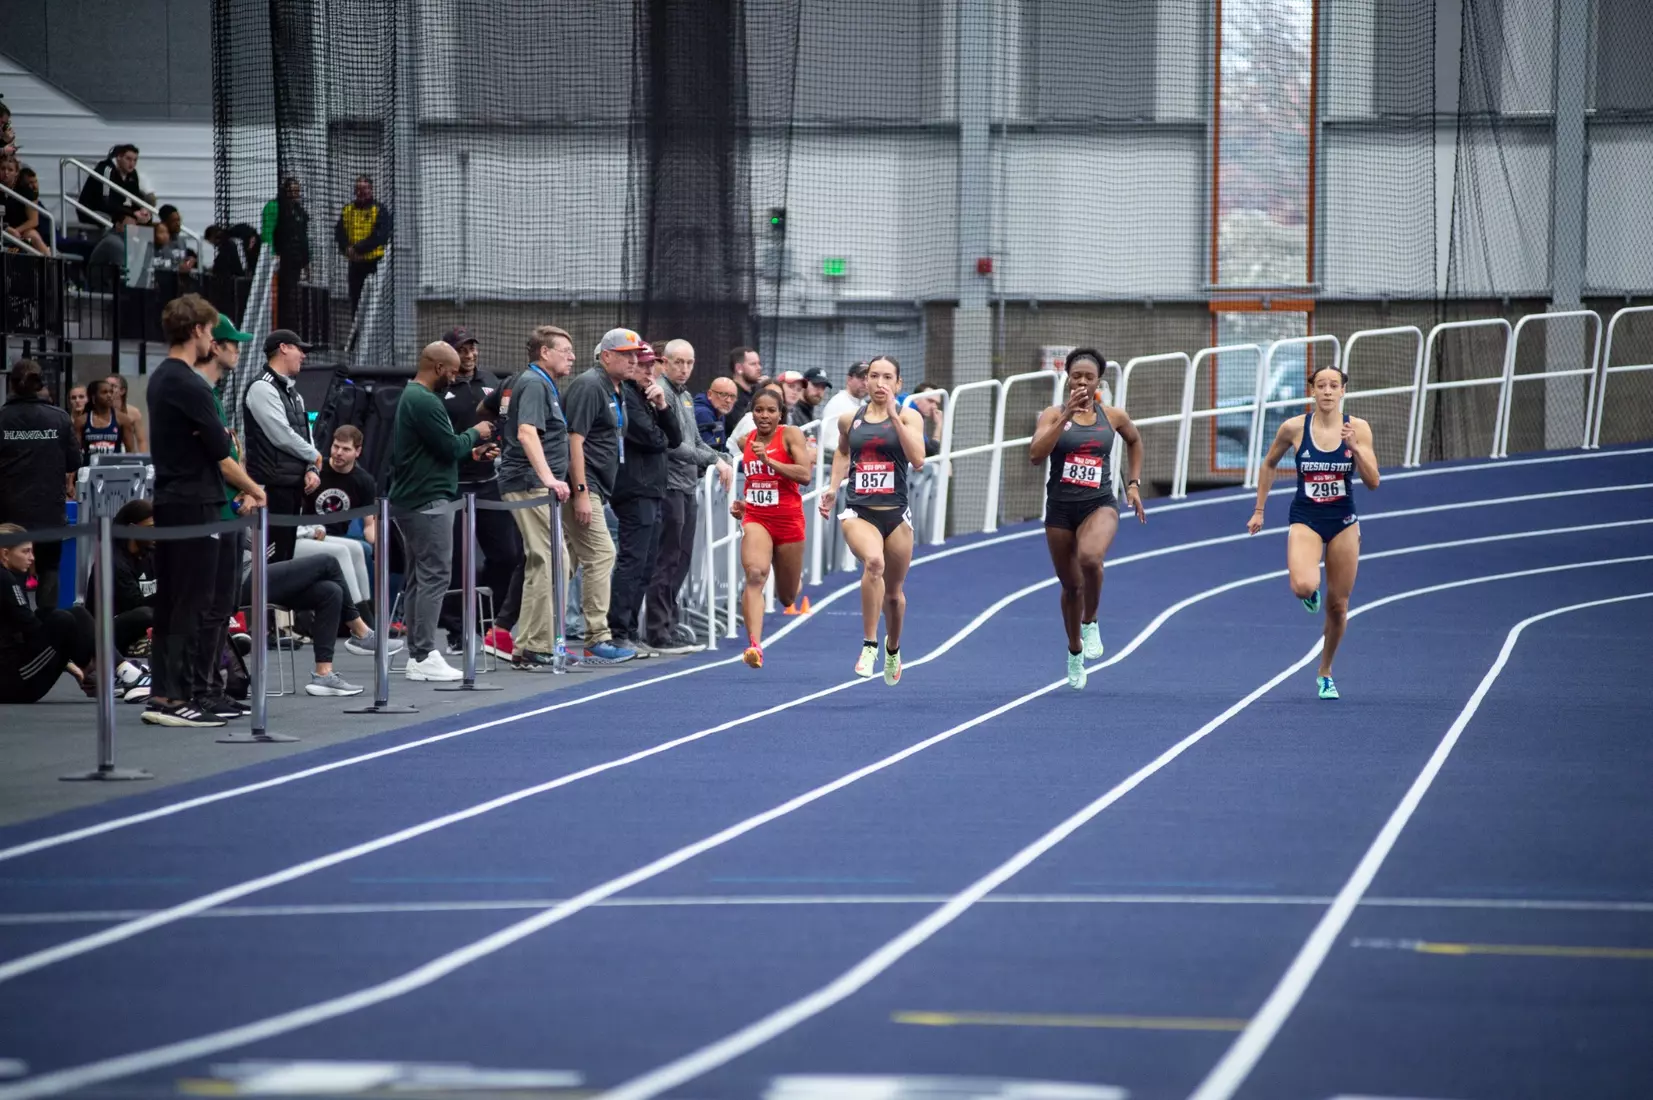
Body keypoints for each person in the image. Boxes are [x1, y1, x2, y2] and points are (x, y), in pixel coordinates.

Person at [141, 294, 265, 727]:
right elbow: (218, 448)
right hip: (195, 505)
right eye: (211, 331)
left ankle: (168, 695)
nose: (213, 339)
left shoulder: (161, 378)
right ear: (197, 331)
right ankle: (173, 699)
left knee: (176, 602)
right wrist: (255, 488)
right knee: (189, 603)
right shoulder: (188, 384)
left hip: (180, 502)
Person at [1248, 365, 1380, 700]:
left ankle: (1325, 671)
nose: (1327, 391)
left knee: (1338, 606)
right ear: (1312, 391)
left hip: (1343, 521)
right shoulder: (1294, 427)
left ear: (1342, 392)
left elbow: (1373, 481)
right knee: (1303, 585)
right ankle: (1310, 593)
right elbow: (1268, 464)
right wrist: (1260, 510)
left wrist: (1356, 448)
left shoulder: (1358, 428)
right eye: (1321, 385)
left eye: (1333, 385)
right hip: (1306, 516)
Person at [1028, 348, 1148, 690]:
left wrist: (1134, 484)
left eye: (1089, 376)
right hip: (1060, 510)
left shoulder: (1113, 416)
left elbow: (1135, 442)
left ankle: (1091, 621)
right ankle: (1074, 650)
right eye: (1076, 375)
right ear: (1067, 377)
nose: (1082, 381)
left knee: (1091, 558)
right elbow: (1036, 455)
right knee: (1071, 586)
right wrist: (1065, 414)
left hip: (1099, 503)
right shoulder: (1052, 415)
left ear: (1099, 381)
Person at [388, 341, 494, 682]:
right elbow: (449, 446)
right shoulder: (425, 401)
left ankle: (419, 653)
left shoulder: (414, 397)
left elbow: (435, 451)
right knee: (435, 574)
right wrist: (475, 434)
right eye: (451, 371)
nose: (455, 376)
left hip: (418, 496)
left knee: (422, 576)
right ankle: (423, 653)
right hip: (428, 499)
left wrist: (472, 453)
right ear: (437, 368)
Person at [818, 354, 927, 685]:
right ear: (865, 382)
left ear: (898, 383)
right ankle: (869, 645)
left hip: (895, 514)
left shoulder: (909, 418)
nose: (880, 383)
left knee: (894, 595)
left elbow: (918, 459)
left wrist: (894, 417)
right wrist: (833, 488)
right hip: (859, 511)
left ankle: (893, 649)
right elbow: (841, 452)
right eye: (874, 376)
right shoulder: (849, 419)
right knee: (874, 563)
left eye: (887, 377)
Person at [561, 328, 647, 664]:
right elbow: (574, 440)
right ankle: (597, 637)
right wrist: (581, 492)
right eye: (627, 354)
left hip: (599, 487)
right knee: (602, 554)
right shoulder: (589, 385)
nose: (634, 360)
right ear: (606, 355)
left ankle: (529, 633)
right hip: (585, 486)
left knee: (564, 564)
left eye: (636, 354)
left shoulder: (617, 388)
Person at [496, 325, 574, 670]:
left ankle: (529, 643)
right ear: (545, 352)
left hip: (532, 482)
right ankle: (535, 644)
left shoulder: (541, 383)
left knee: (547, 561)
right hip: (530, 483)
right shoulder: (533, 383)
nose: (572, 356)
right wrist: (549, 479)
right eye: (565, 350)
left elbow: (495, 415)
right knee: (550, 560)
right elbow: (527, 432)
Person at [437, 326, 518, 654]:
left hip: (488, 484)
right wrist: (467, 450)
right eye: (462, 349)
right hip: (452, 485)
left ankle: (493, 628)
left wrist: (496, 444)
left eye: (473, 348)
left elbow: (502, 419)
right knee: (454, 560)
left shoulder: (490, 381)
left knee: (507, 555)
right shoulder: (438, 388)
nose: (470, 355)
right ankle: (457, 631)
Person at [647, 338, 731, 652]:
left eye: (689, 363)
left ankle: (668, 623)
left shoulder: (683, 397)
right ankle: (657, 630)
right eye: (678, 362)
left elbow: (696, 440)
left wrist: (725, 459)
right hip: (668, 485)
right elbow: (675, 446)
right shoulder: (661, 393)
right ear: (664, 362)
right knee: (666, 560)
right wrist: (713, 460)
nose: (684, 369)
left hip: (687, 486)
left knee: (681, 560)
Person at [607, 343, 683, 653]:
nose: (649, 371)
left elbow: (674, 439)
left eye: (652, 365)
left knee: (647, 562)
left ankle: (629, 631)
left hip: (653, 489)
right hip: (634, 489)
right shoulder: (626, 397)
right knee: (632, 560)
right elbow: (653, 440)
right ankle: (618, 630)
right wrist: (659, 426)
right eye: (642, 365)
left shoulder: (648, 397)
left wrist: (663, 406)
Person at [731, 388, 811, 669]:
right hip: (757, 518)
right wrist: (742, 504)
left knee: (787, 596)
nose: (764, 416)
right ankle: (755, 646)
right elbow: (754, 482)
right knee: (755, 574)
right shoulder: (746, 441)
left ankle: (791, 579)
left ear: (780, 414)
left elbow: (805, 475)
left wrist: (769, 460)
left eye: (770, 411)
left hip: (788, 521)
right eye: (759, 410)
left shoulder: (790, 436)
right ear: (752, 413)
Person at [0, 359, 80, 609]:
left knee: (11, 570)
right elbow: (73, 462)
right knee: (49, 568)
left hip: (9, 513)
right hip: (49, 511)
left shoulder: (2, 419)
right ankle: (48, 629)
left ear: (11, 384)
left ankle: (17, 629)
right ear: (40, 385)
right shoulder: (59, 418)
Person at [244, 329, 323, 564]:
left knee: (287, 557)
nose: (303, 355)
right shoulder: (262, 387)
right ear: (284, 348)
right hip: (271, 488)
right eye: (300, 349)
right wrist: (314, 455)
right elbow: (281, 434)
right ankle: (264, 602)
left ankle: (282, 602)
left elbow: (305, 434)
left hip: (291, 487)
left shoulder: (294, 394)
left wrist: (312, 467)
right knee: (272, 559)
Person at [0, 525, 97, 703]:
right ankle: (103, 671)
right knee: (62, 621)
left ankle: (116, 669)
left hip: (13, 663)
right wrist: (70, 663)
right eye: (26, 552)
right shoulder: (4, 579)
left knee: (75, 612)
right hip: (11, 683)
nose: (32, 558)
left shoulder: (10, 575)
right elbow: (30, 627)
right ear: (5, 554)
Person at [299, 424, 378, 617]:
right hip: (309, 535)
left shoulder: (364, 481)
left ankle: (369, 614)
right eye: (336, 447)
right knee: (349, 550)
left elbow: (370, 525)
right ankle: (363, 619)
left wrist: (380, 544)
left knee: (363, 549)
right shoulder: (315, 471)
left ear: (357, 451)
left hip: (337, 535)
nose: (338, 453)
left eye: (346, 449)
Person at [86, 498, 157, 657]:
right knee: (146, 614)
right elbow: (135, 606)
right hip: (109, 628)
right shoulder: (113, 562)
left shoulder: (151, 553)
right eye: (151, 528)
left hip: (143, 621)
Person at [335, 175, 390, 312]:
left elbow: (380, 236)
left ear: (371, 190)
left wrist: (358, 249)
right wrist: (347, 249)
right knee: (356, 300)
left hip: (374, 263)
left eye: (365, 189)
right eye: (358, 189)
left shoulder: (379, 210)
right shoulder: (348, 210)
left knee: (374, 301)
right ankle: (356, 331)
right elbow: (340, 233)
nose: (361, 192)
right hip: (355, 264)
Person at [262, 177, 311, 330]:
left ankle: (292, 329)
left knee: (293, 296)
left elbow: (303, 236)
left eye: (297, 191)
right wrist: (272, 254)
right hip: (281, 260)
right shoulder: (275, 207)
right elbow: (268, 232)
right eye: (291, 191)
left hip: (295, 260)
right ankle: (283, 328)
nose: (294, 194)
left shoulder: (298, 211)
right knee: (283, 296)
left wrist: (307, 260)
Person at [79, 377, 133, 459]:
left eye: (111, 392)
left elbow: (130, 452)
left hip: (114, 469)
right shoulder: (81, 421)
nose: (109, 395)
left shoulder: (123, 419)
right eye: (104, 392)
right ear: (94, 397)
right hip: (89, 469)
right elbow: (75, 452)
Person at [723, 345, 763, 433]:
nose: (759, 368)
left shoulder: (758, 392)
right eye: (753, 364)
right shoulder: (728, 394)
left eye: (759, 363)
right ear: (739, 368)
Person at [105, 374, 146, 453]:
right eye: (105, 386)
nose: (109, 389)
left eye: (113, 386)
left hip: (127, 454)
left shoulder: (133, 413)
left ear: (122, 391)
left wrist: (144, 460)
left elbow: (141, 441)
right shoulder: (100, 412)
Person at [696, 377, 736, 450]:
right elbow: (709, 452)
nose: (728, 400)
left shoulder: (719, 412)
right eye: (723, 394)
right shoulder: (703, 413)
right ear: (709, 394)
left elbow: (721, 447)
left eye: (732, 396)